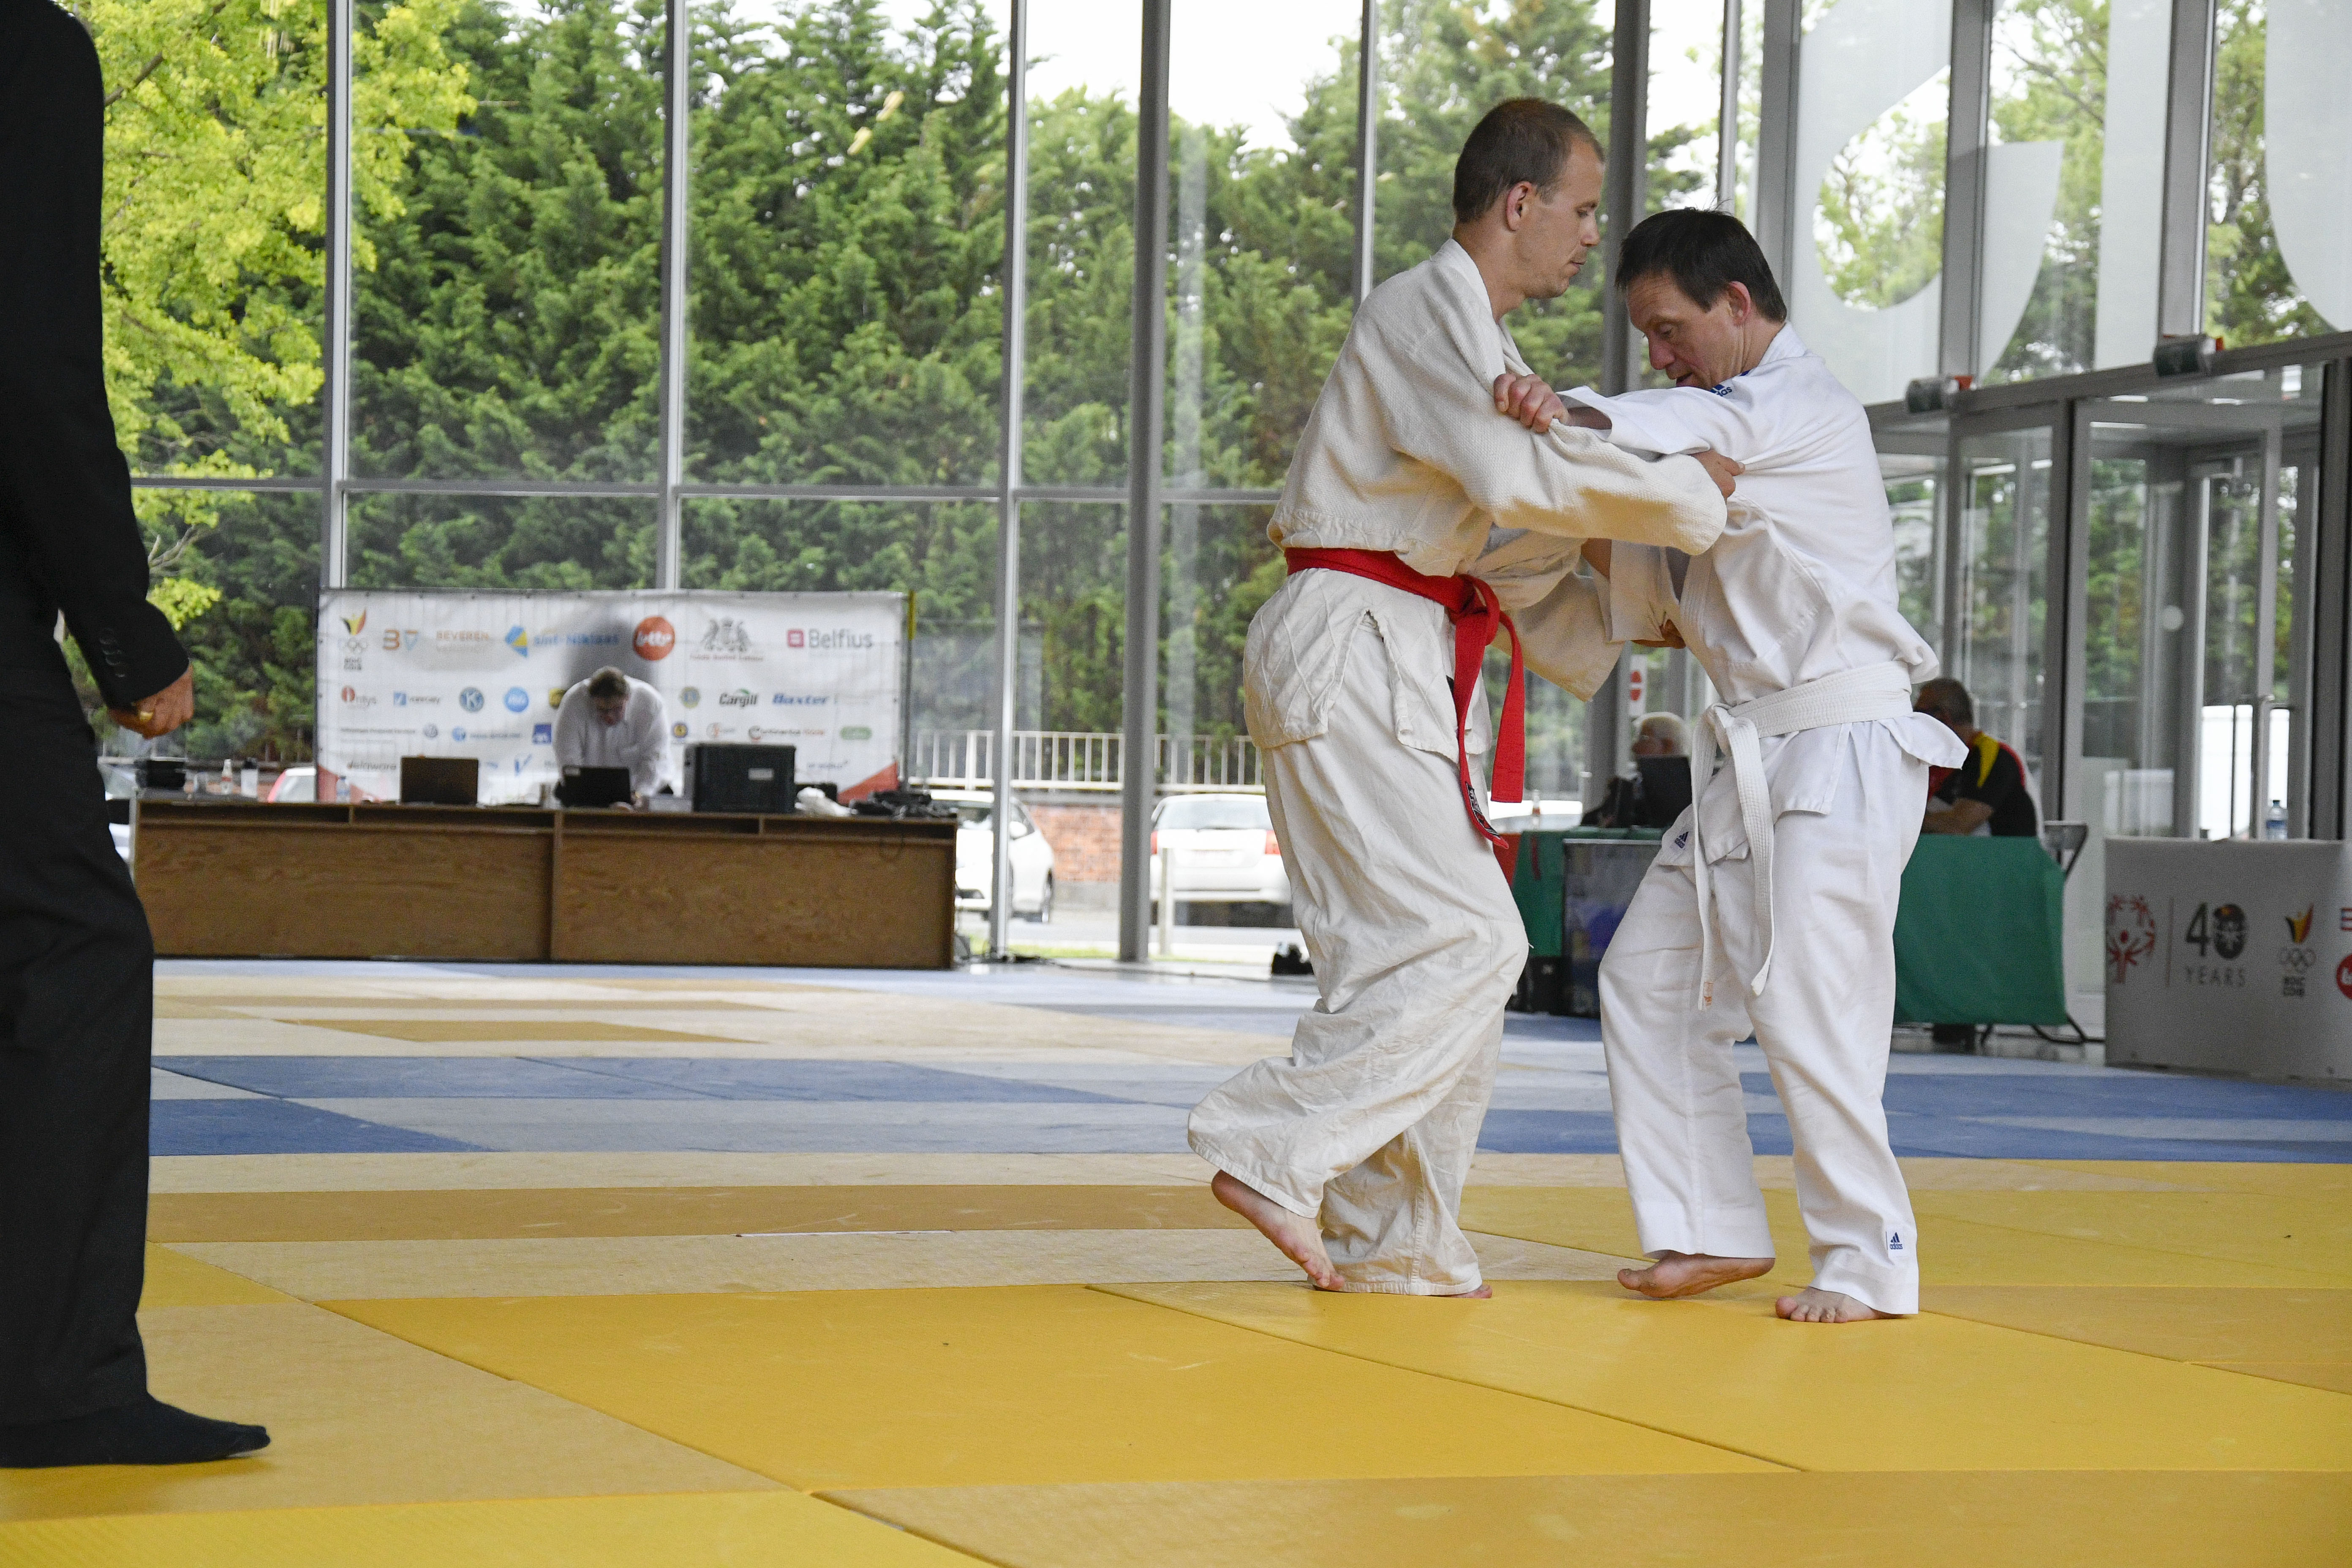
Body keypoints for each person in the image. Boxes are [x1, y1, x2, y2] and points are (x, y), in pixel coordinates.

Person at [1188, 100, 1738, 1298]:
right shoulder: (1422, 310)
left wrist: (1660, 610)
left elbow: (1518, 547)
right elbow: (1514, 476)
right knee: (1473, 941)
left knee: (1400, 955)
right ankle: (1269, 1142)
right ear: (1519, 202)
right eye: (1581, 210)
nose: (1590, 236)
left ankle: (1395, 1237)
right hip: (1356, 636)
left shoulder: (1486, 350)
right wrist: (1692, 493)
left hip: (1391, 640)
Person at [1494, 207, 1965, 1323]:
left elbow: (1677, 429)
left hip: (1843, 743)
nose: (1661, 355)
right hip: (1757, 751)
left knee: (1812, 1003)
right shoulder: (1723, 449)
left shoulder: (1796, 404)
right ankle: (1709, 1227)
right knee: (1650, 980)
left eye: (1671, 329)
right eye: (1647, 339)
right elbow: (1654, 599)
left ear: (1739, 306)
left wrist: (1566, 409)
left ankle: (1871, 1258)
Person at [0, 0, 270, 1467]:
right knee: (69, 950)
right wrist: (125, 626)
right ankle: (49, 1381)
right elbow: (29, 356)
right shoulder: (21, 48)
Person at [1914, 678, 2038, 839]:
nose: (1914, 724)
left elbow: (1959, 825)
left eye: (1919, 714)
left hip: (2003, 854)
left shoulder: (1993, 757)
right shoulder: (1935, 760)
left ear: (1943, 717)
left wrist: (1903, 821)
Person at [552, 667, 672, 802]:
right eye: (602, 710)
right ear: (592, 701)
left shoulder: (649, 703)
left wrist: (638, 797)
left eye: (617, 709)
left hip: (645, 789)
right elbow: (568, 760)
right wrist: (582, 794)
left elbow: (654, 761)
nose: (609, 716)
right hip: (589, 789)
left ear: (628, 698)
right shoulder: (574, 703)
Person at [1582, 712, 1693, 830]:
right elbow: (1590, 822)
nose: (1634, 747)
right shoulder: (1628, 789)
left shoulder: (1692, 793)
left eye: (1643, 739)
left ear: (1667, 746)